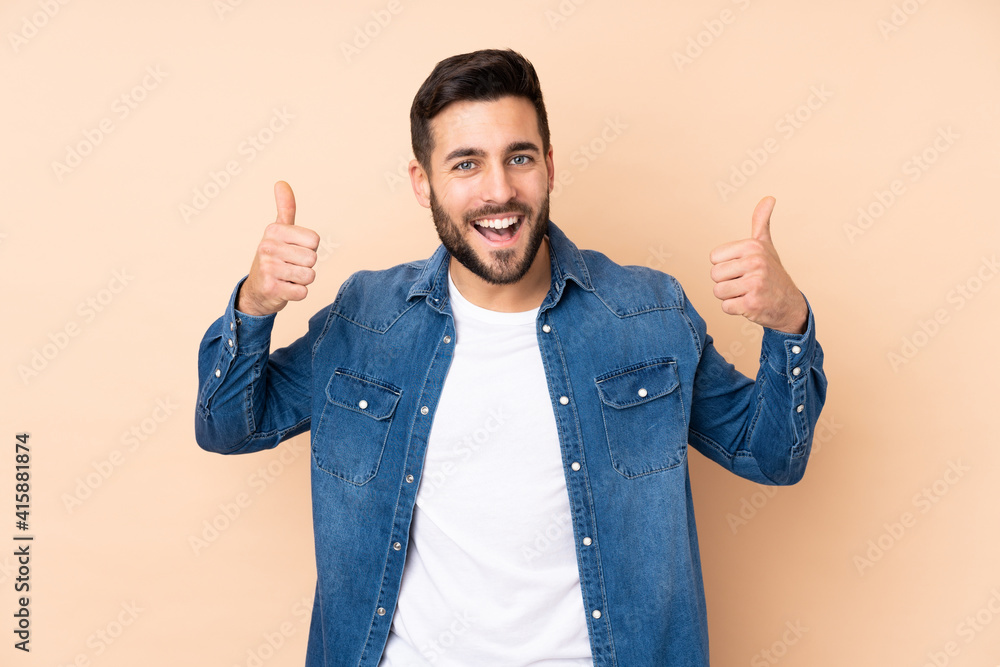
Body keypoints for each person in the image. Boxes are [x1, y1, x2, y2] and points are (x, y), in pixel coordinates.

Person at [195, 48, 827, 667]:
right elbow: (226, 427)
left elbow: (771, 455)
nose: (500, 191)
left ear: (549, 165)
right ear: (424, 183)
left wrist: (788, 323)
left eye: (518, 158)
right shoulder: (366, 318)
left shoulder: (648, 315)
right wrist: (254, 306)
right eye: (466, 164)